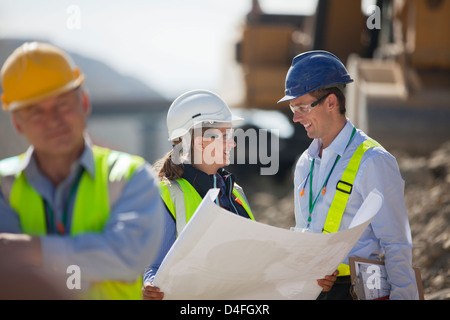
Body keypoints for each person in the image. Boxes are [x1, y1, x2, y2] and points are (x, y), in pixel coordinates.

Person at [0, 42, 169, 299]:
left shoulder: (131, 176)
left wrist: (31, 249)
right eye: (36, 112)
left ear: (85, 102)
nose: (53, 120)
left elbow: (128, 257)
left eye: (62, 104)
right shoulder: (3, 184)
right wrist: (94, 256)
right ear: (17, 123)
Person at [142, 89, 338, 300]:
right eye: (225, 136)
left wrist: (310, 278)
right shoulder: (166, 194)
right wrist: (150, 286)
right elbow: (154, 266)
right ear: (200, 142)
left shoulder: (235, 193)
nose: (233, 143)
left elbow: (255, 265)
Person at [278, 50, 418, 299]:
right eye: (292, 107)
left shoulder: (374, 161)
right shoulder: (304, 163)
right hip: (313, 290)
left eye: (301, 107)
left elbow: (396, 243)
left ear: (331, 102)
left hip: (360, 289)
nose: (296, 117)